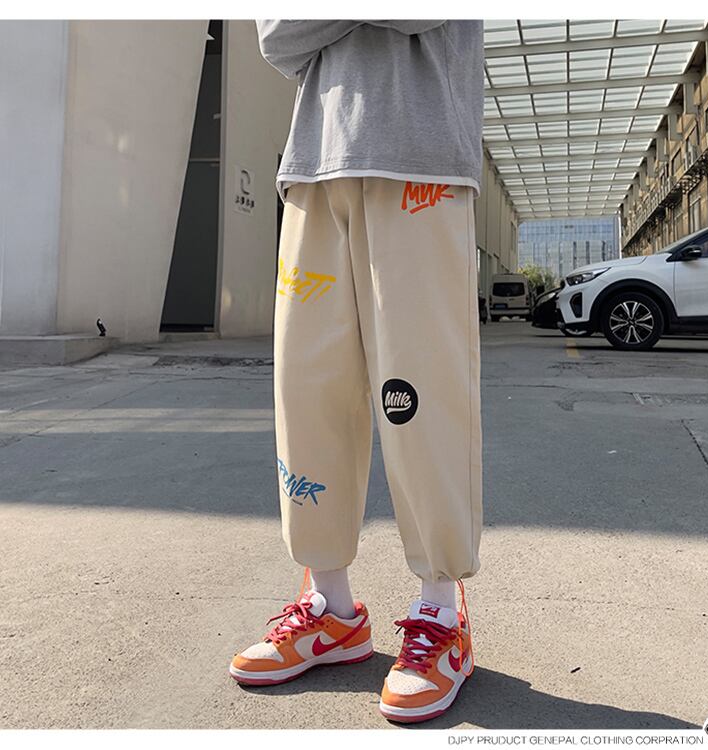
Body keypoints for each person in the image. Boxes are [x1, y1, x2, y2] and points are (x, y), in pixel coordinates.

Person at [229, 19, 484, 724]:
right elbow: (277, 34)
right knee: (308, 390)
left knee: (420, 392)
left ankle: (441, 611)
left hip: (422, 164)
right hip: (312, 167)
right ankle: (331, 609)